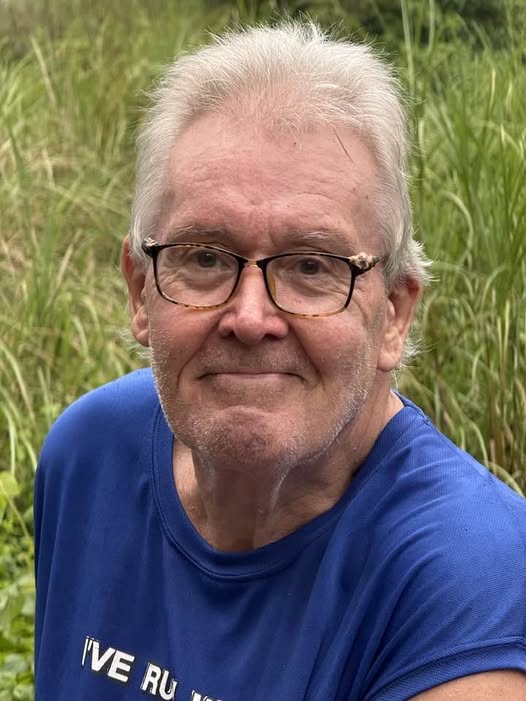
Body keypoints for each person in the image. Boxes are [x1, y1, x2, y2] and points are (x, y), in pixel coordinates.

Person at [34, 21, 526, 701]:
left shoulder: (467, 578)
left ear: (394, 312)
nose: (250, 317)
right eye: (205, 256)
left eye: (312, 266)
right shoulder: (89, 457)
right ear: (140, 289)